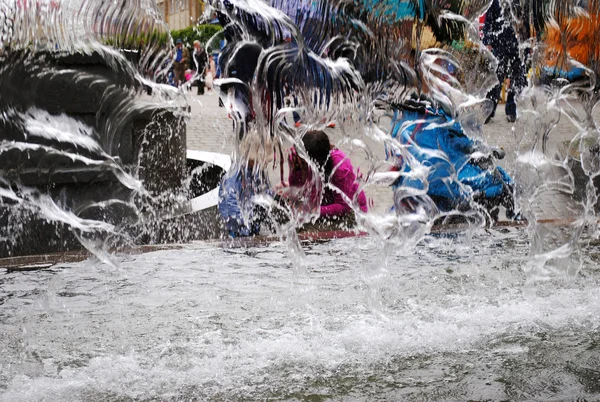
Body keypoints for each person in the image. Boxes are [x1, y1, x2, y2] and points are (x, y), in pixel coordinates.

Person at [282, 131, 368, 227]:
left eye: (303, 160)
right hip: (319, 203)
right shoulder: (297, 157)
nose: (298, 159)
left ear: (316, 162)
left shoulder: (340, 167)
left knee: (305, 232)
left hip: (351, 212)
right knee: (280, 207)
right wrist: (296, 171)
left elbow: (343, 207)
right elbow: (296, 190)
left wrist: (314, 211)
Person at [482, 0, 526, 123]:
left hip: (517, 45)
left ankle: (511, 110)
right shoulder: (495, 2)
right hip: (499, 43)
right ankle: (488, 110)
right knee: (496, 78)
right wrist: (488, 41)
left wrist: (526, 45)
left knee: (517, 78)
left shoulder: (520, 2)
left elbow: (525, 22)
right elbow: (488, 20)